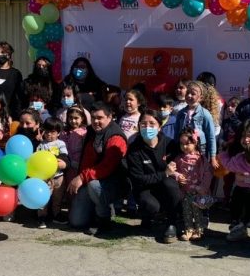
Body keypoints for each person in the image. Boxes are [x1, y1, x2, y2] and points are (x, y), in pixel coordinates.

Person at [67, 102, 128, 235]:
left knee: (94, 185)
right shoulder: (91, 132)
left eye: (100, 118)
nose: (96, 121)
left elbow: (107, 167)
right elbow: (86, 160)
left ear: (109, 117)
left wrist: (82, 177)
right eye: (94, 117)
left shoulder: (116, 137)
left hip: (113, 184)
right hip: (92, 180)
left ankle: (103, 220)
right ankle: (97, 208)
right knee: (76, 222)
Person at [125, 109, 182, 243]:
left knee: (171, 185)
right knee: (151, 206)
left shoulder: (170, 144)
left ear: (159, 126)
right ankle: (148, 215)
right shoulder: (134, 149)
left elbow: (176, 168)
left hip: (165, 184)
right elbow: (139, 179)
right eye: (143, 124)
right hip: (144, 188)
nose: (147, 127)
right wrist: (164, 173)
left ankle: (172, 223)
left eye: (152, 124)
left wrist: (169, 174)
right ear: (138, 126)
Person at [171, 128, 213, 241]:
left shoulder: (201, 159)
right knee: (186, 210)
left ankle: (199, 230)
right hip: (185, 190)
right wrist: (177, 176)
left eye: (187, 144)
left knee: (197, 211)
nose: (184, 146)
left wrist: (203, 187)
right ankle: (188, 229)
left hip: (198, 191)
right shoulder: (179, 158)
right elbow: (172, 170)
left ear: (195, 143)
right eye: (182, 144)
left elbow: (207, 174)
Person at [173, 80, 218, 170]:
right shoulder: (181, 113)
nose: (189, 96)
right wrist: (174, 150)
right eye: (187, 93)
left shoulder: (205, 114)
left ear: (200, 97)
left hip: (200, 149)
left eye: (193, 94)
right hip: (183, 147)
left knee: (199, 171)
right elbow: (176, 133)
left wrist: (213, 157)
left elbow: (211, 137)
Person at [35, 117, 69, 229]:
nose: (49, 134)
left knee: (57, 198)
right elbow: (36, 158)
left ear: (58, 133)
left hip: (59, 177)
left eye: (53, 132)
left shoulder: (60, 143)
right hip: (45, 178)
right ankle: (41, 217)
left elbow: (64, 156)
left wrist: (58, 160)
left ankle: (56, 214)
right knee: (43, 198)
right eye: (47, 131)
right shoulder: (41, 145)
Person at [58, 106, 89, 222]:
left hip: (77, 166)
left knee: (74, 189)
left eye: (76, 118)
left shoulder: (84, 132)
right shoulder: (63, 132)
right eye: (70, 118)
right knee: (65, 189)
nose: (73, 121)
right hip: (65, 164)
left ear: (82, 119)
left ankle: (76, 211)